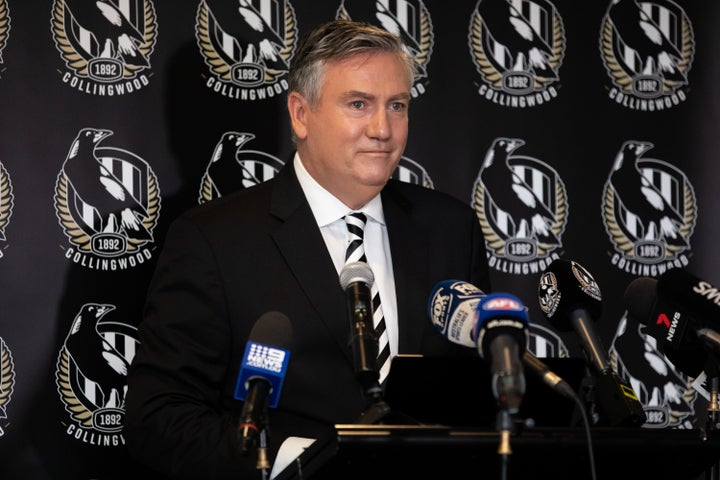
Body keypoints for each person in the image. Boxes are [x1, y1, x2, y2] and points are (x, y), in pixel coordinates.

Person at [124, 19, 491, 480]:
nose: (383, 128)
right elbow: (157, 416)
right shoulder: (214, 240)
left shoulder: (450, 228)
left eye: (397, 105)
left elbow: (477, 393)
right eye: (359, 104)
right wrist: (293, 461)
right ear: (300, 114)